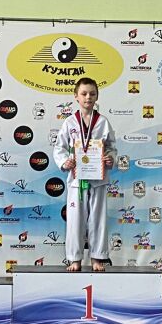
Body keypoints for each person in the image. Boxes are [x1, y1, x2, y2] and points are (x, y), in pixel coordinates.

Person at [54, 78, 117, 272]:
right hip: (77, 179)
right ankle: (75, 259)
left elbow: (111, 147)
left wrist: (110, 158)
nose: (88, 97)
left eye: (92, 93)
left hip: (98, 179)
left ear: (97, 96)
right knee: (75, 220)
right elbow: (59, 147)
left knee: (97, 219)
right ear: (76, 96)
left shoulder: (103, 122)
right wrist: (65, 162)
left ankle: (97, 258)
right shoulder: (69, 122)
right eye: (84, 93)